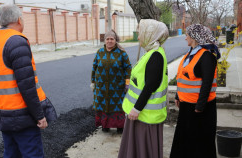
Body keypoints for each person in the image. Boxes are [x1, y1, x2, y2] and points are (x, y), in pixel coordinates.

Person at [0, 4, 57, 158]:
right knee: (33, 154)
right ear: (19, 20)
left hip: (4, 113)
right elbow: (27, 86)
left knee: (11, 154)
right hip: (22, 116)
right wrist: (39, 115)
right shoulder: (16, 42)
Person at [118, 19, 169, 158]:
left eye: (140, 33)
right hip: (142, 114)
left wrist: (136, 109)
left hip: (144, 116)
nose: (138, 36)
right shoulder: (151, 52)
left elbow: (150, 85)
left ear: (149, 34)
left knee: (142, 150)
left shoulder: (156, 56)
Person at [170, 24, 220, 158]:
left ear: (194, 37)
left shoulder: (206, 57)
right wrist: (177, 95)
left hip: (200, 109)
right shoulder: (190, 54)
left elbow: (207, 84)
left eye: (187, 35)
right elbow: (182, 75)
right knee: (185, 141)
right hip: (187, 106)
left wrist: (200, 106)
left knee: (200, 143)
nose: (185, 38)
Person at [91, 29, 132, 133]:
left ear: (115, 40)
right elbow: (94, 67)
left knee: (118, 107)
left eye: (112, 39)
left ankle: (120, 127)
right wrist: (93, 82)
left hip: (117, 87)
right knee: (103, 105)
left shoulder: (122, 53)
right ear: (104, 40)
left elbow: (128, 67)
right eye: (107, 39)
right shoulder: (100, 52)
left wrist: (127, 83)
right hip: (101, 88)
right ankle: (105, 125)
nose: (109, 41)